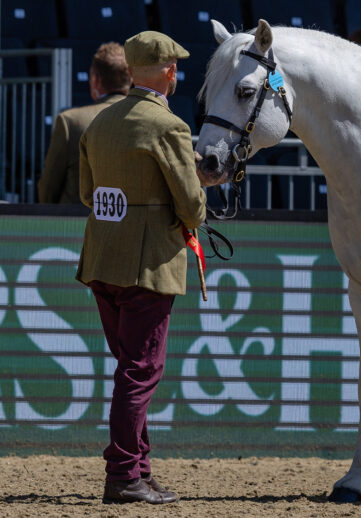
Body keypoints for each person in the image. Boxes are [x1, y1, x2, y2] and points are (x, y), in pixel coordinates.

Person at [77, 30, 206, 505]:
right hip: (147, 265)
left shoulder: (100, 122)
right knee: (140, 370)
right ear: (170, 72)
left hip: (101, 261)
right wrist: (197, 202)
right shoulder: (169, 126)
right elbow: (191, 203)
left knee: (130, 367)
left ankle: (139, 469)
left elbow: (89, 195)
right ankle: (124, 475)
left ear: (130, 71)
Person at [38, 43, 131, 204]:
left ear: (95, 79)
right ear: (130, 78)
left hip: (74, 226)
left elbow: (48, 190)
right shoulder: (148, 120)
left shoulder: (70, 122)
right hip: (128, 226)